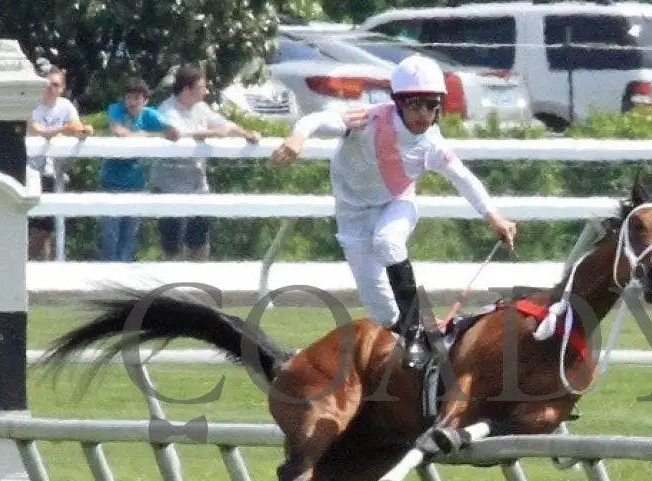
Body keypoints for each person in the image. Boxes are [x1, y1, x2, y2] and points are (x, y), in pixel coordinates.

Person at [272, 55, 517, 370]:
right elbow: (318, 119)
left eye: (431, 106)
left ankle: (417, 335)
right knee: (385, 315)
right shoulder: (369, 119)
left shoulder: (432, 142)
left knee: (388, 243)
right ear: (398, 103)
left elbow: (464, 179)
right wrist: (297, 138)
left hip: (396, 204)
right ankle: (416, 354)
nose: (423, 114)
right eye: (415, 104)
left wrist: (494, 217)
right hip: (353, 219)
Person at [148, 64, 261, 260]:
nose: (205, 91)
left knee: (199, 239)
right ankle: (171, 284)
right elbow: (178, 133)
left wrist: (246, 134)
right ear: (187, 89)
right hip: (170, 185)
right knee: (172, 243)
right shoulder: (167, 110)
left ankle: (199, 282)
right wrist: (213, 133)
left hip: (197, 184)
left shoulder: (201, 107)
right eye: (201, 87)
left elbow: (222, 123)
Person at [100, 77, 180, 261]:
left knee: (129, 235)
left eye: (138, 98)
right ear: (124, 99)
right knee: (111, 235)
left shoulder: (150, 114)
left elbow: (174, 133)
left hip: (137, 181)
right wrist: (151, 135)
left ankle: (124, 276)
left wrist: (149, 134)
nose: (133, 102)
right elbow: (119, 132)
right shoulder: (116, 109)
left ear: (145, 101)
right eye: (129, 97)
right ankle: (107, 276)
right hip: (112, 180)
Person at [27, 66, 93, 260]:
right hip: (28, 171)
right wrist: (65, 128)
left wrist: (84, 131)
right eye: (47, 84)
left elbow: (77, 127)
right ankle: (26, 264)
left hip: (52, 172)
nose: (50, 88)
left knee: (48, 229)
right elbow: (38, 130)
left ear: (62, 88)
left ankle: (45, 267)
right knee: (31, 227)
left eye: (55, 84)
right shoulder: (30, 105)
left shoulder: (65, 106)